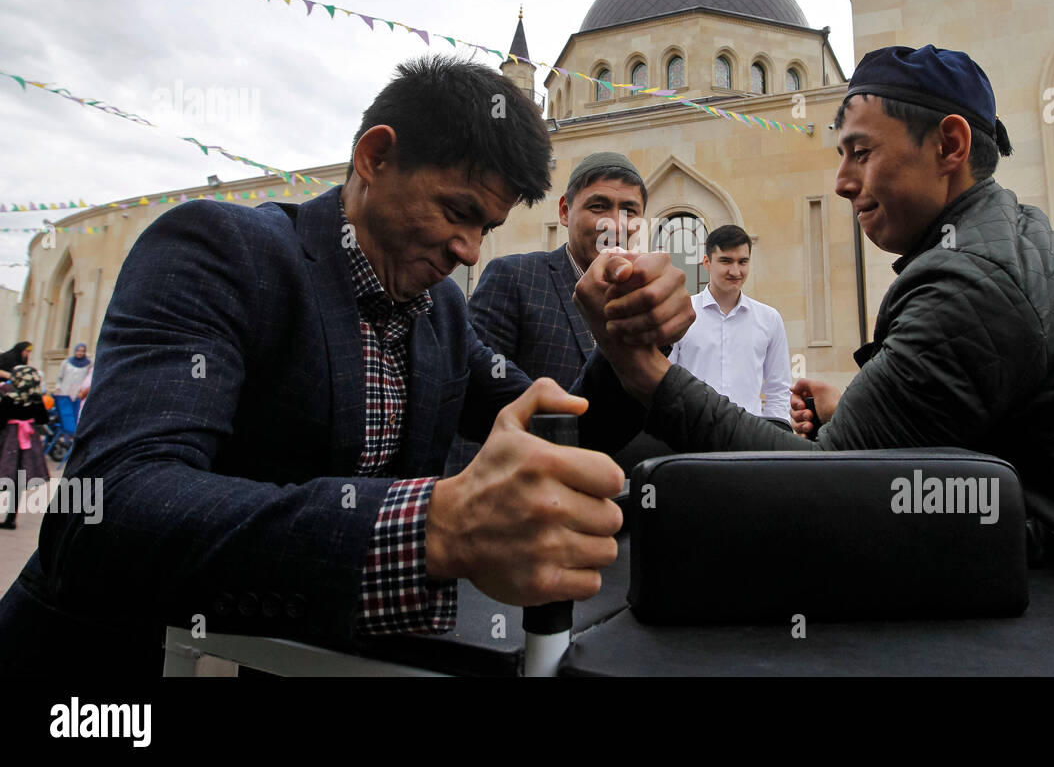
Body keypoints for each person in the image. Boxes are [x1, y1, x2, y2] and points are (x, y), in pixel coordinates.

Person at [574, 44, 1054, 676]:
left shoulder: (974, 277)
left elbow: (821, 492)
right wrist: (862, 404)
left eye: (861, 151)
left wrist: (644, 371)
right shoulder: (1000, 239)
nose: (842, 181)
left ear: (949, 145)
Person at [0, 54, 692, 674]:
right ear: (374, 156)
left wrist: (625, 354)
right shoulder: (220, 253)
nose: (470, 249)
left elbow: (562, 429)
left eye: (485, 226)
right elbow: (111, 511)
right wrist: (428, 525)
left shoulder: (440, 316)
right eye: (457, 211)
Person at [452, 152, 656, 473]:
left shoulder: (643, 305)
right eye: (598, 206)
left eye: (629, 210)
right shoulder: (515, 278)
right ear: (565, 211)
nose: (615, 223)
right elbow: (473, 404)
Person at [668, 225, 793, 428]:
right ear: (707, 263)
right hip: (691, 434)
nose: (735, 271)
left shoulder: (769, 319)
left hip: (750, 438)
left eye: (742, 262)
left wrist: (775, 437)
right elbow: (666, 381)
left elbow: (778, 389)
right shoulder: (680, 313)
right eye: (726, 261)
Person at [0, 365, 50, 530]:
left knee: (4, 472)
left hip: (9, 440)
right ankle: (11, 518)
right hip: (28, 442)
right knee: (19, 479)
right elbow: (43, 419)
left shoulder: (9, 397)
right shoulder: (36, 399)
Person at [52, 343, 92, 437]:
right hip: (65, 392)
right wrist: (58, 388)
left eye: (82, 351)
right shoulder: (66, 363)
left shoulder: (88, 364)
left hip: (78, 395)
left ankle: (72, 435)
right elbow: (60, 377)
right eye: (78, 350)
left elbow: (88, 379)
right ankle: (63, 436)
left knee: (75, 415)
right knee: (65, 415)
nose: (80, 353)